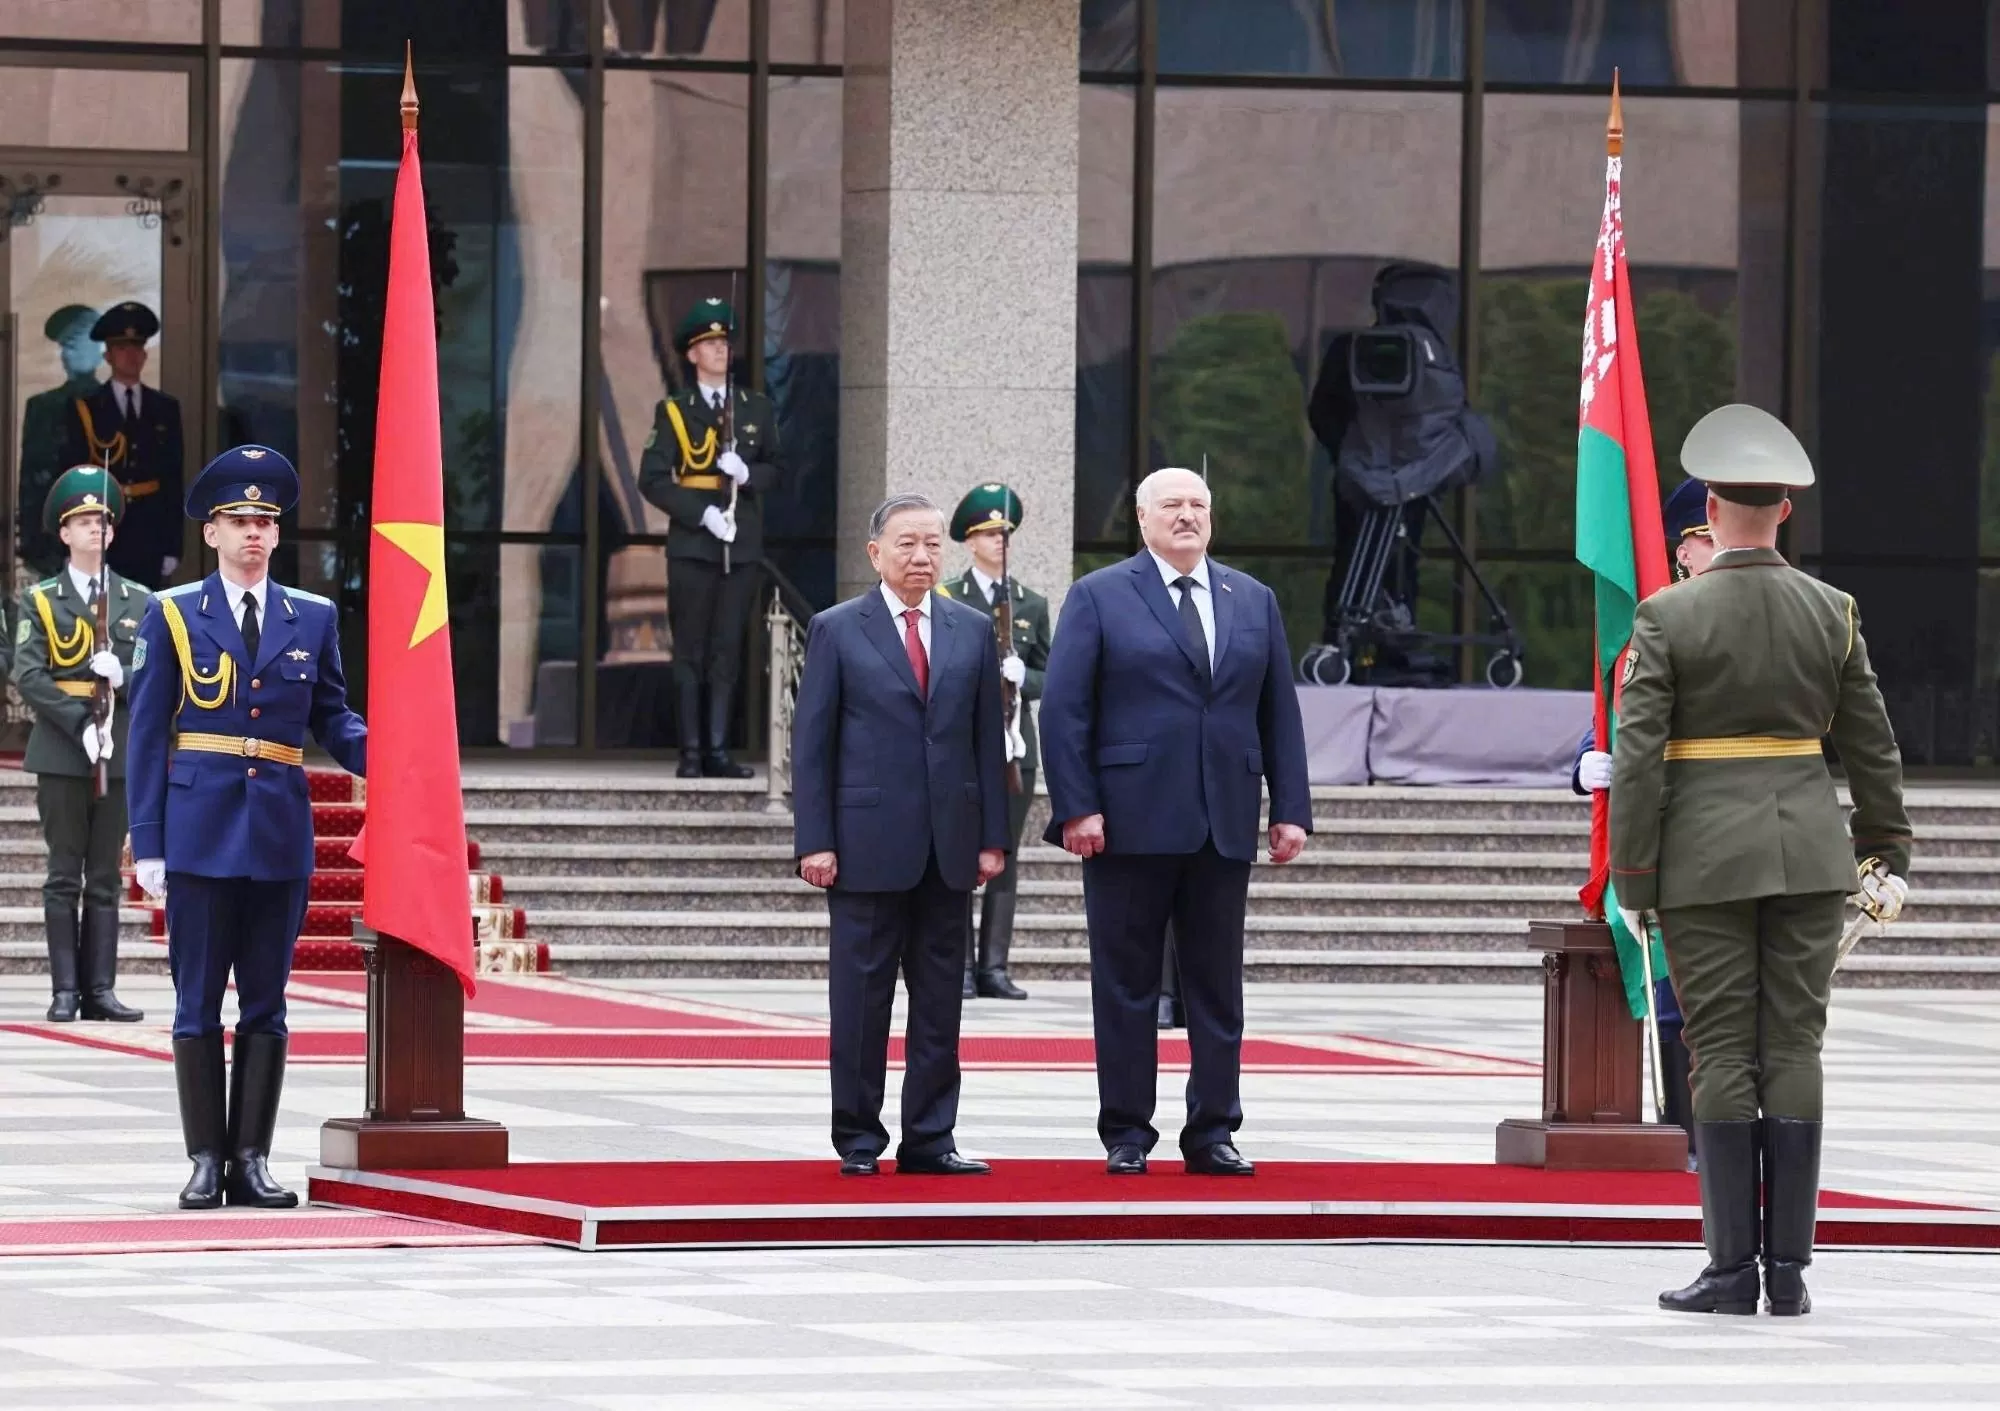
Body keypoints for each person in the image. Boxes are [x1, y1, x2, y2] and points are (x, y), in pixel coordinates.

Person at [1611, 404, 1911, 1318]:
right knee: (1795, 1044)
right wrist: (1884, 849)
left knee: (1720, 1050)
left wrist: (1633, 876)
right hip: (1812, 855)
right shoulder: (1833, 611)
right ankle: (1789, 1270)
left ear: (1710, 507)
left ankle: (1732, 1267)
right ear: (1784, 509)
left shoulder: (1668, 613)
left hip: (1703, 860)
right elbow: (1873, 747)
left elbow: (1639, 757)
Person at [1038, 466, 1313, 1177]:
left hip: (1223, 818)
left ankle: (1214, 1130)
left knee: (1217, 987)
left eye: (1198, 504)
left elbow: (1278, 710)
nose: (1187, 515)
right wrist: (1076, 805)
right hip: (1127, 820)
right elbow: (1065, 710)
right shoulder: (1100, 594)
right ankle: (1127, 1131)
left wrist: (1290, 808)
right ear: (1143, 517)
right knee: (1126, 985)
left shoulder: (1251, 598)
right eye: (1172, 505)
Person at [127, 446, 368, 1211]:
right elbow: (146, 733)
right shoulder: (172, 612)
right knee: (196, 1003)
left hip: (277, 835)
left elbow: (333, 715)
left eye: (264, 520)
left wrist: (394, 755)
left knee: (267, 1004)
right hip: (199, 833)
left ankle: (251, 1158)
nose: (253, 532)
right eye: (238, 520)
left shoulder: (312, 616)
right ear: (212, 532)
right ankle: (205, 1158)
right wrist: (149, 840)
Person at [791, 493, 1009, 1177]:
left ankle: (931, 1138)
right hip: (864, 845)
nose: (921, 556)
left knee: (941, 1002)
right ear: (875, 552)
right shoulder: (837, 628)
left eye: (932, 544)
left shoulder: (972, 629)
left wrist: (993, 837)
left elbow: (986, 741)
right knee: (861, 1003)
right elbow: (812, 744)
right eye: (907, 543)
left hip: (949, 847)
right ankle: (858, 1138)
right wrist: (815, 840)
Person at [1572, 473, 1714, 1152]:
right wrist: (1587, 760)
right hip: (1667, 832)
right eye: (1710, 536)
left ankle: (1732, 1136)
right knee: (1672, 991)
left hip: (1733, 824)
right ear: (1682, 549)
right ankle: (1685, 1133)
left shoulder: (1764, 610)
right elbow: (1618, 703)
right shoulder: (1656, 619)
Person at [11, 466, 149, 1024]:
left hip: (116, 751)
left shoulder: (139, 601)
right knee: (64, 873)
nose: (96, 529)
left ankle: (101, 990)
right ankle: (65, 990)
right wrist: (79, 723)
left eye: (102, 521)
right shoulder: (41, 599)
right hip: (64, 751)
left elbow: (157, 674)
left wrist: (124, 677)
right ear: (64, 533)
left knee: (106, 877)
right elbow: (27, 673)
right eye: (84, 521)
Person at [637, 297, 787, 778]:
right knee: (690, 651)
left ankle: (719, 751)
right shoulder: (674, 412)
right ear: (692, 354)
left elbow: (777, 470)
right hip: (693, 545)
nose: (721, 349)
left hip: (740, 546)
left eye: (724, 342)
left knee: (726, 650)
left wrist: (747, 473)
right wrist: (702, 514)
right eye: (710, 343)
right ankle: (691, 752)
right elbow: (652, 479)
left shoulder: (755, 408)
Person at [940, 483, 1051, 1001]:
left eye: (1004, 533)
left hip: (1013, 748)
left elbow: (1055, 677)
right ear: (969, 540)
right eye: (988, 534)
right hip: (962, 746)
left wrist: (1025, 676)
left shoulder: (1031, 603)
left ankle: (994, 967)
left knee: (1004, 854)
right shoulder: (947, 599)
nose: (999, 541)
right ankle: (960, 966)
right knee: (960, 853)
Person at [62, 303, 184, 589]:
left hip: (150, 532)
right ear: (107, 356)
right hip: (103, 530)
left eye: (137, 347)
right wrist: (73, 543)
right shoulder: (86, 408)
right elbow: (74, 481)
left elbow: (172, 479)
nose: (131, 355)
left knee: (147, 611)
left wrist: (173, 546)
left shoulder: (165, 408)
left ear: (145, 354)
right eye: (121, 348)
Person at [17, 306, 101, 580]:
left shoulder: (118, 405)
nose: (67, 354)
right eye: (64, 346)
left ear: (100, 347)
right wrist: (31, 545)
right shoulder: (42, 407)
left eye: (75, 343)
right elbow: (30, 483)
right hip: (51, 548)